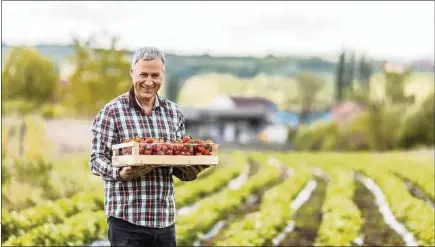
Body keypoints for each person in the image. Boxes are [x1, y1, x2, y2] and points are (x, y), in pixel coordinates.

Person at [89, 46, 209, 247]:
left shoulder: (173, 113)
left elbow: (176, 163)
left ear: (163, 74)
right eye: (143, 74)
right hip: (127, 221)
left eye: (155, 75)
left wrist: (190, 171)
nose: (149, 81)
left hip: (164, 221)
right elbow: (96, 160)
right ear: (132, 72)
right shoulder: (112, 112)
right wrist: (120, 173)